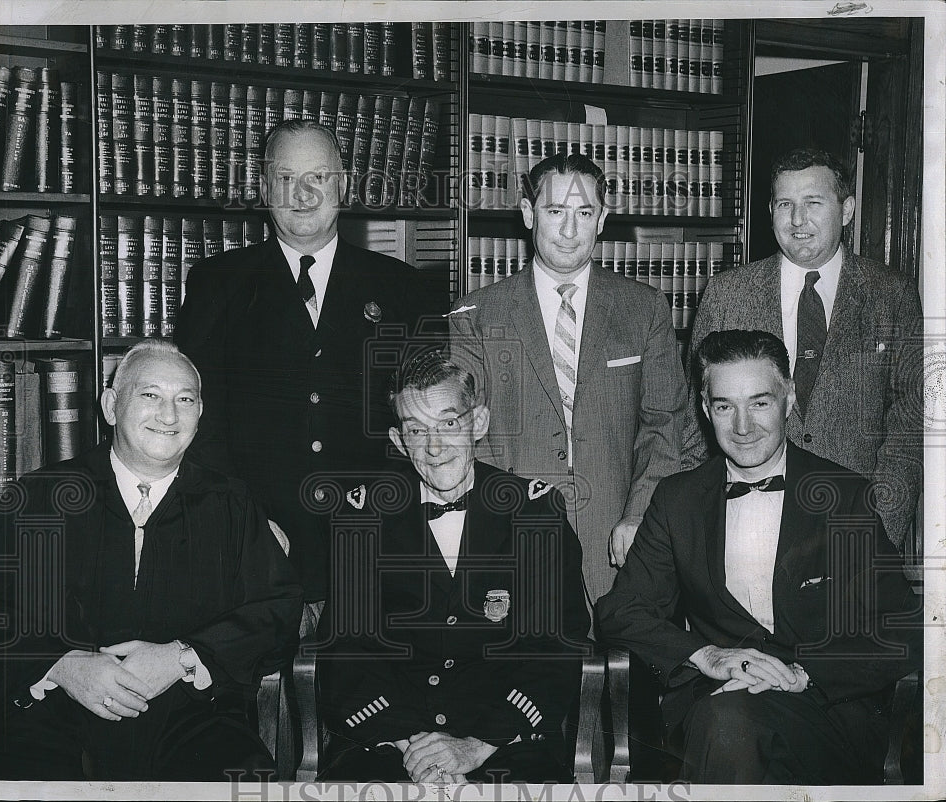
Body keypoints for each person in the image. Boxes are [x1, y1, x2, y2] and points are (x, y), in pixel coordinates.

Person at [0, 341, 303, 781]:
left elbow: (275, 611)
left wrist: (182, 657)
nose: (169, 415)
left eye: (185, 399)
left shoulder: (232, 504)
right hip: (52, 710)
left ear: (200, 415)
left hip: (192, 717)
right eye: (150, 395)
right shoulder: (38, 498)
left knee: (242, 784)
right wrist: (61, 665)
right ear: (110, 405)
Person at [597, 329, 921, 784]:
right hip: (715, 705)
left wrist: (803, 673)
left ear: (789, 399)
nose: (743, 427)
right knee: (727, 721)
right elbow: (620, 611)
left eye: (760, 402)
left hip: (824, 713)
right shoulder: (679, 500)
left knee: (730, 726)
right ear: (705, 409)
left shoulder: (843, 496)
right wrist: (706, 655)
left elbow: (905, 626)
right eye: (725, 406)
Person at [175, 120, 442, 609]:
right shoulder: (219, 283)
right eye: (284, 178)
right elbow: (196, 419)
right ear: (261, 187)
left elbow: (427, 424)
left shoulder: (404, 289)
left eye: (317, 177)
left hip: (375, 550)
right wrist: (245, 521)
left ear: (342, 184)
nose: (301, 193)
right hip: (256, 547)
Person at [314, 350, 591, 783]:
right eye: (416, 430)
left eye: (448, 423)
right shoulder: (362, 519)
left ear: (478, 423)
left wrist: (474, 747)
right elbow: (347, 654)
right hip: (390, 744)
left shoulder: (536, 515)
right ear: (399, 440)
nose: (434, 447)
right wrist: (415, 749)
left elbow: (555, 650)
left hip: (505, 745)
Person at [449, 152, 687, 605]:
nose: (569, 229)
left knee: (618, 670)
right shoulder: (474, 316)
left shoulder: (645, 308)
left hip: (617, 544)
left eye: (584, 213)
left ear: (602, 219)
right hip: (513, 541)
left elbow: (665, 425)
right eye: (555, 211)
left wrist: (640, 515)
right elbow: (463, 437)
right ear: (527, 213)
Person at [683, 147, 923, 551]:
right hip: (745, 529)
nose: (797, 220)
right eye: (785, 204)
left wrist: (877, 530)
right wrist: (702, 533)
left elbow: (910, 426)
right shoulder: (728, 293)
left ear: (846, 210)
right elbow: (695, 420)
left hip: (857, 526)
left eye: (813, 203)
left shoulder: (891, 294)